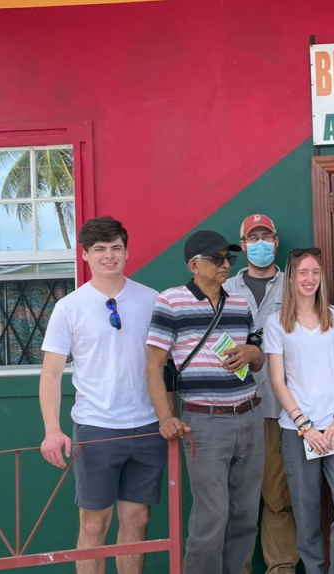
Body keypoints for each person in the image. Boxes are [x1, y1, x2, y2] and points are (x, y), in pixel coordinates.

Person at [39, 216, 165, 574]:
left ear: (126, 251)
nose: (109, 256)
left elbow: (166, 364)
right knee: (94, 524)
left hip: (146, 427)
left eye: (116, 248)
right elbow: (50, 374)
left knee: (137, 521)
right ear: (85, 256)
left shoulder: (151, 299)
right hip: (96, 429)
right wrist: (52, 429)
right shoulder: (69, 307)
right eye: (99, 250)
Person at [144, 230, 266, 574]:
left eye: (228, 258)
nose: (225, 264)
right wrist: (165, 416)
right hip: (205, 421)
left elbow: (257, 360)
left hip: (250, 414)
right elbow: (154, 365)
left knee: (245, 514)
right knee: (212, 517)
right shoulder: (171, 301)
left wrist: (253, 353)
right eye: (217, 258)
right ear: (194, 265)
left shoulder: (240, 303)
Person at [266, 247, 334, 574]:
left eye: (315, 273)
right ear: (291, 278)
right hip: (298, 430)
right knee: (306, 512)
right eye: (303, 273)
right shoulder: (276, 323)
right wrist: (305, 425)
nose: (310, 279)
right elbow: (278, 381)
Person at [225, 213, 298, 574]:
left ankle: (281, 566)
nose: (260, 243)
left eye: (265, 236)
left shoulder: (295, 285)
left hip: (276, 406)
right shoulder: (224, 289)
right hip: (229, 407)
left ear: (275, 241)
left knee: (277, 496)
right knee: (235, 500)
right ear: (242, 245)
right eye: (252, 237)